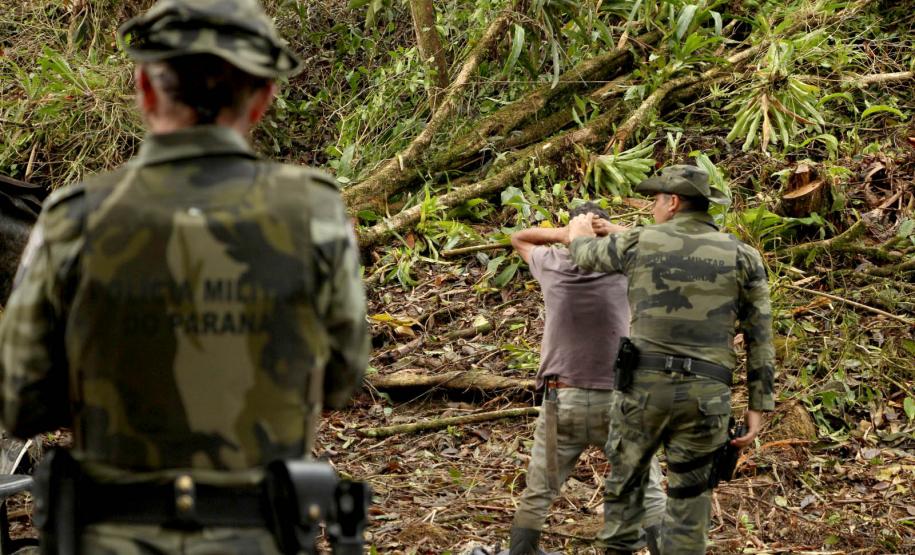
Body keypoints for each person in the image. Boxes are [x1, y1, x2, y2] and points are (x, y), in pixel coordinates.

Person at [0, 0, 369, 552]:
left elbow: (22, 400)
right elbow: (343, 379)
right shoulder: (313, 213)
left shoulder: (73, 217)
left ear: (145, 88)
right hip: (256, 536)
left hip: (110, 536)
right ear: (263, 99)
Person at [565, 165, 775, 555]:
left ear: (673, 202)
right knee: (690, 503)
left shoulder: (640, 242)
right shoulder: (744, 256)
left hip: (642, 393)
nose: (653, 209)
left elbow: (585, 255)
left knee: (626, 490)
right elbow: (760, 337)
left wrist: (577, 230)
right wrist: (759, 406)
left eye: (656, 201)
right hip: (706, 398)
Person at [501, 202, 666, 555]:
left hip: (562, 401)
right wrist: (611, 230)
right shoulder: (624, 268)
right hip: (617, 401)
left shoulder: (553, 265)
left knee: (539, 488)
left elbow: (518, 238)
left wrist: (564, 234)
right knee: (647, 487)